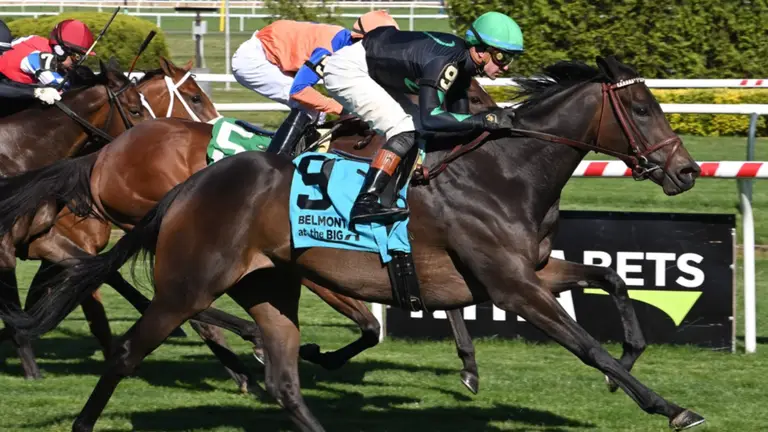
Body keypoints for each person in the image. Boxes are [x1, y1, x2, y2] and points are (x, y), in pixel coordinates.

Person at [322, 11, 524, 227]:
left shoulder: (463, 66)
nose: (506, 66)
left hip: (375, 70)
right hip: (349, 70)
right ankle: (365, 202)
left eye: (510, 58)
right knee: (404, 129)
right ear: (480, 51)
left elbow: (461, 124)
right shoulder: (446, 62)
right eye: (501, 57)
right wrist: (485, 120)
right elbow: (431, 118)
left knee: (421, 129)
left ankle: (401, 190)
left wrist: (487, 124)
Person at [231, 11, 399, 156]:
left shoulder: (348, 45)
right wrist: (343, 110)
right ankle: (276, 161)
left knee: (319, 112)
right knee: (308, 106)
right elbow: (299, 91)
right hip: (254, 60)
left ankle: (302, 154)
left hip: (277, 52)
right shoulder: (328, 50)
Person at [0, 19, 95, 106]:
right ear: (60, 51)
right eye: (76, 57)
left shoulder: (41, 45)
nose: (77, 62)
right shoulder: (37, 56)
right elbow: (62, 90)